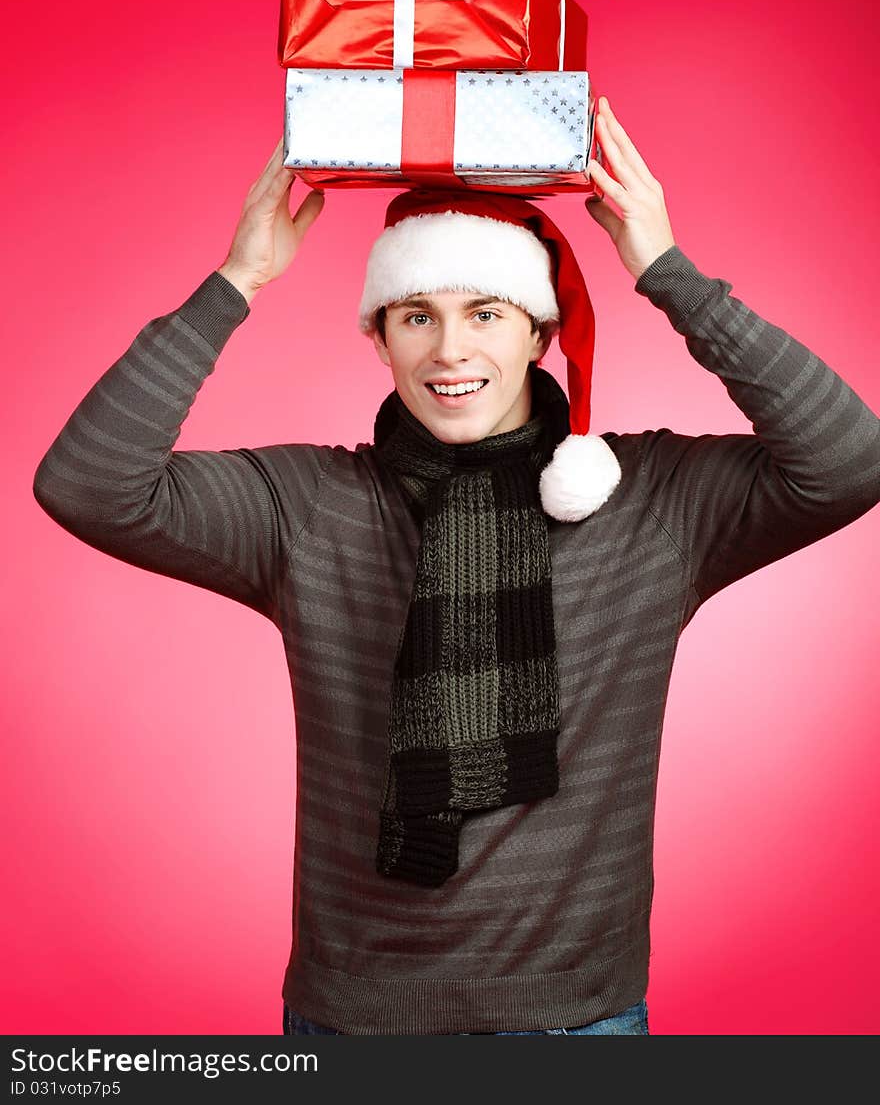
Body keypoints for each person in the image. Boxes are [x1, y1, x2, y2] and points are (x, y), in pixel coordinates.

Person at [33, 98, 880, 1037]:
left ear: (542, 334)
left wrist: (667, 273)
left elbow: (847, 460)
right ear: (380, 338)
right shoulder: (311, 508)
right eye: (415, 317)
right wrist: (238, 280)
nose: (451, 351)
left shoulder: (647, 500)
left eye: (487, 312)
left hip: (577, 1022)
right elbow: (91, 484)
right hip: (357, 1019)